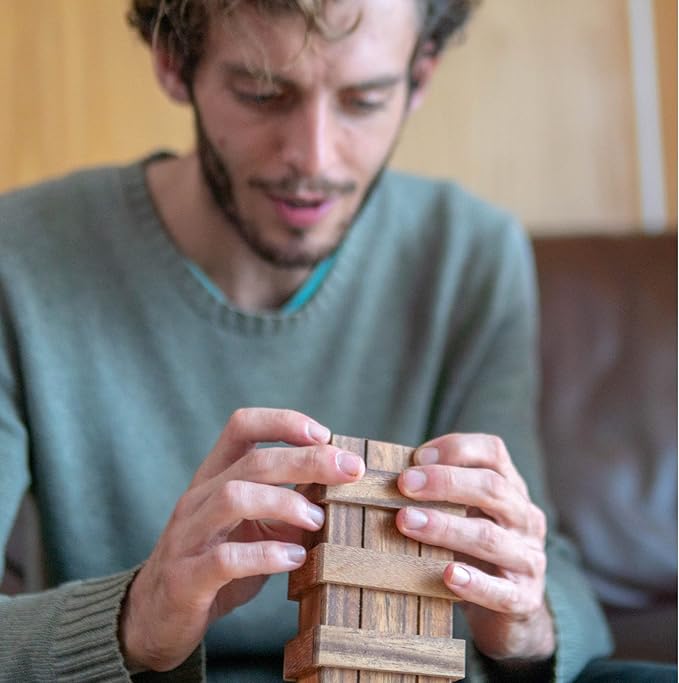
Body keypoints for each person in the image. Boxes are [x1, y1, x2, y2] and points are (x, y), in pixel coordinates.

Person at [3, 0, 662, 680]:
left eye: (364, 99)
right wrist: (137, 618)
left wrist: (524, 618)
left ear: (419, 81)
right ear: (175, 67)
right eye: (262, 93)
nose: (313, 158)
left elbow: (547, 565)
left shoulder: (468, 251)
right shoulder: (20, 257)